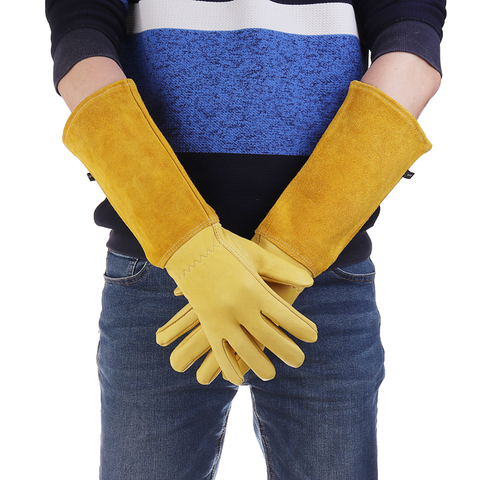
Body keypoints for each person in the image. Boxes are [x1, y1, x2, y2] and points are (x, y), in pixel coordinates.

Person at [46, 1, 446, 478]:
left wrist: (298, 243)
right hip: (161, 277)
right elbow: (81, 40)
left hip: (322, 278)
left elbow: (412, 41)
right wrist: (184, 243)